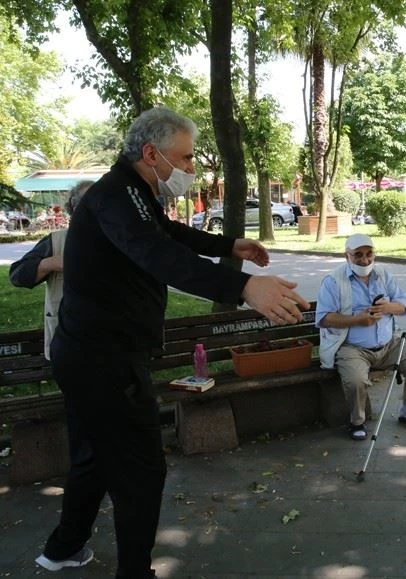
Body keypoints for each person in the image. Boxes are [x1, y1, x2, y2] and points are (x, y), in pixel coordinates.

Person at [34, 107, 309, 578]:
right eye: (184, 158)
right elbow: (158, 253)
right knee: (141, 471)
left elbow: (165, 232)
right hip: (105, 362)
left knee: (93, 459)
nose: (190, 168)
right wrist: (243, 286)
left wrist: (228, 246)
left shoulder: (131, 192)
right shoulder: (116, 195)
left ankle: (62, 549)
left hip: (89, 355)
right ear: (151, 153)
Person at [315, 233, 406, 441]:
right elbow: (324, 318)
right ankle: (357, 421)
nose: (365, 260)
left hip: (388, 344)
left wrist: (388, 307)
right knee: (356, 380)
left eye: (369, 254)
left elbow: (403, 304)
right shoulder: (333, 281)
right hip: (352, 348)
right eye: (358, 254)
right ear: (347, 256)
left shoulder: (382, 274)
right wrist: (357, 320)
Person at [9, 181, 93, 360]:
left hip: (113, 345)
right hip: (69, 346)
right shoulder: (56, 241)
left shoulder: (122, 239)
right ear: (75, 208)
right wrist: (51, 263)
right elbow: (18, 276)